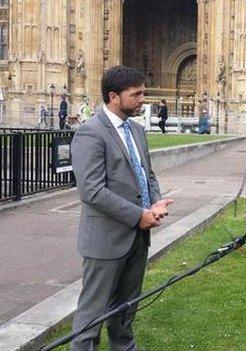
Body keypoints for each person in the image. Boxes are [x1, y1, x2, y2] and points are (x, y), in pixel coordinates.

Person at [70, 65, 174, 350]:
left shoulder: (137, 130)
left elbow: (146, 174)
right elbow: (91, 191)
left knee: (125, 312)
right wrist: (138, 215)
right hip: (105, 240)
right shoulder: (90, 133)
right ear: (114, 97)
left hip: (138, 239)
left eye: (144, 92)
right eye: (136, 94)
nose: (143, 99)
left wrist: (155, 202)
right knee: (91, 316)